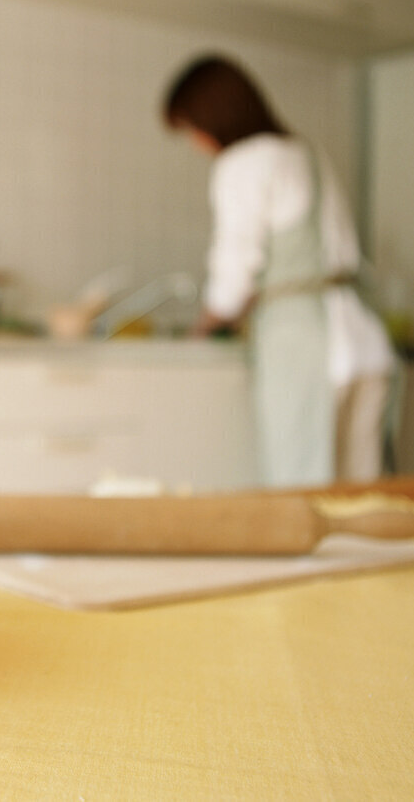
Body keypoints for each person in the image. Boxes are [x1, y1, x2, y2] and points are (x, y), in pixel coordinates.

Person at [162, 55, 396, 488]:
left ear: (211, 118)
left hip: (307, 349)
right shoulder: (308, 153)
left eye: (191, 129)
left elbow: (234, 275)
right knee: (364, 502)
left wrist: (204, 326)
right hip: (365, 343)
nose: (195, 143)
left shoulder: (242, 164)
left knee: (301, 497)